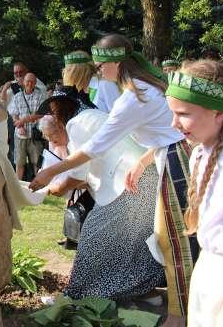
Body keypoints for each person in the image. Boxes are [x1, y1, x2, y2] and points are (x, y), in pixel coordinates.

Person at [30, 34, 196, 327]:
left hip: (174, 163)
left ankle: (178, 316)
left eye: (101, 66)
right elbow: (162, 132)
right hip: (166, 158)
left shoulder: (134, 96)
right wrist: (144, 161)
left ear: (117, 63)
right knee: (166, 240)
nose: (98, 72)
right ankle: (171, 306)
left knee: (175, 243)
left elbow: (95, 148)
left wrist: (50, 172)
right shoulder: (144, 86)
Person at [37, 94, 165, 302]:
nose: (55, 144)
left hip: (130, 181)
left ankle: (74, 296)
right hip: (147, 178)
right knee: (135, 240)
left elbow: (79, 172)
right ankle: (145, 291)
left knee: (93, 236)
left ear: (59, 122)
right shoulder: (92, 116)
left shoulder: (76, 125)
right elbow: (92, 168)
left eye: (53, 139)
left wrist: (54, 187)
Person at [164, 60, 223, 327]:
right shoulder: (201, 152)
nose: (174, 123)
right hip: (208, 275)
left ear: (218, 112)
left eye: (184, 113)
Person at [11, 72, 46, 180]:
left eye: (32, 81)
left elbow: (41, 114)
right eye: (27, 81)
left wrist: (24, 120)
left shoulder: (40, 96)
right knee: (19, 163)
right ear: (23, 82)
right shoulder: (17, 97)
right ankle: (18, 186)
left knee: (36, 163)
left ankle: (38, 184)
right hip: (20, 136)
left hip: (35, 135)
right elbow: (14, 114)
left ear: (35, 83)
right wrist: (20, 126)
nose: (29, 83)